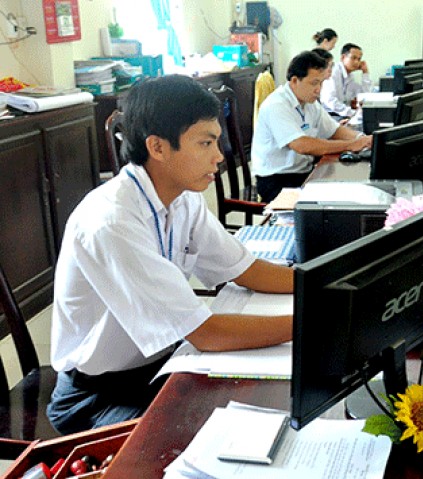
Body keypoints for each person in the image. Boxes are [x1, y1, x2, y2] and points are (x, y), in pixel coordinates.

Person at [47, 75, 295, 435]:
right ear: (158, 147)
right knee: (209, 439)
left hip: (162, 363)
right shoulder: (111, 221)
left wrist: (320, 285)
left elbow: (247, 270)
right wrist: (311, 323)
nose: (219, 156)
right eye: (205, 143)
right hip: (97, 397)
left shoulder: (183, 198)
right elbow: (205, 333)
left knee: (261, 410)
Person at [251, 51, 372, 202]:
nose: (318, 89)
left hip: (303, 172)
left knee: (348, 190)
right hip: (277, 180)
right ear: (295, 81)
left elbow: (334, 130)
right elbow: (301, 145)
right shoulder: (277, 105)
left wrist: (363, 140)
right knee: (331, 203)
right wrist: (351, 145)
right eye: (314, 83)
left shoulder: (310, 102)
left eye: (321, 83)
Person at [320, 43, 372, 118]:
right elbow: (329, 100)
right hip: (330, 115)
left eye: (359, 59)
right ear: (343, 57)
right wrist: (352, 113)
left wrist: (365, 72)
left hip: (342, 114)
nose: (357, 62)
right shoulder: (333, 73)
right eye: (353, 58)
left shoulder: (350, 76)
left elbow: (364, 96)